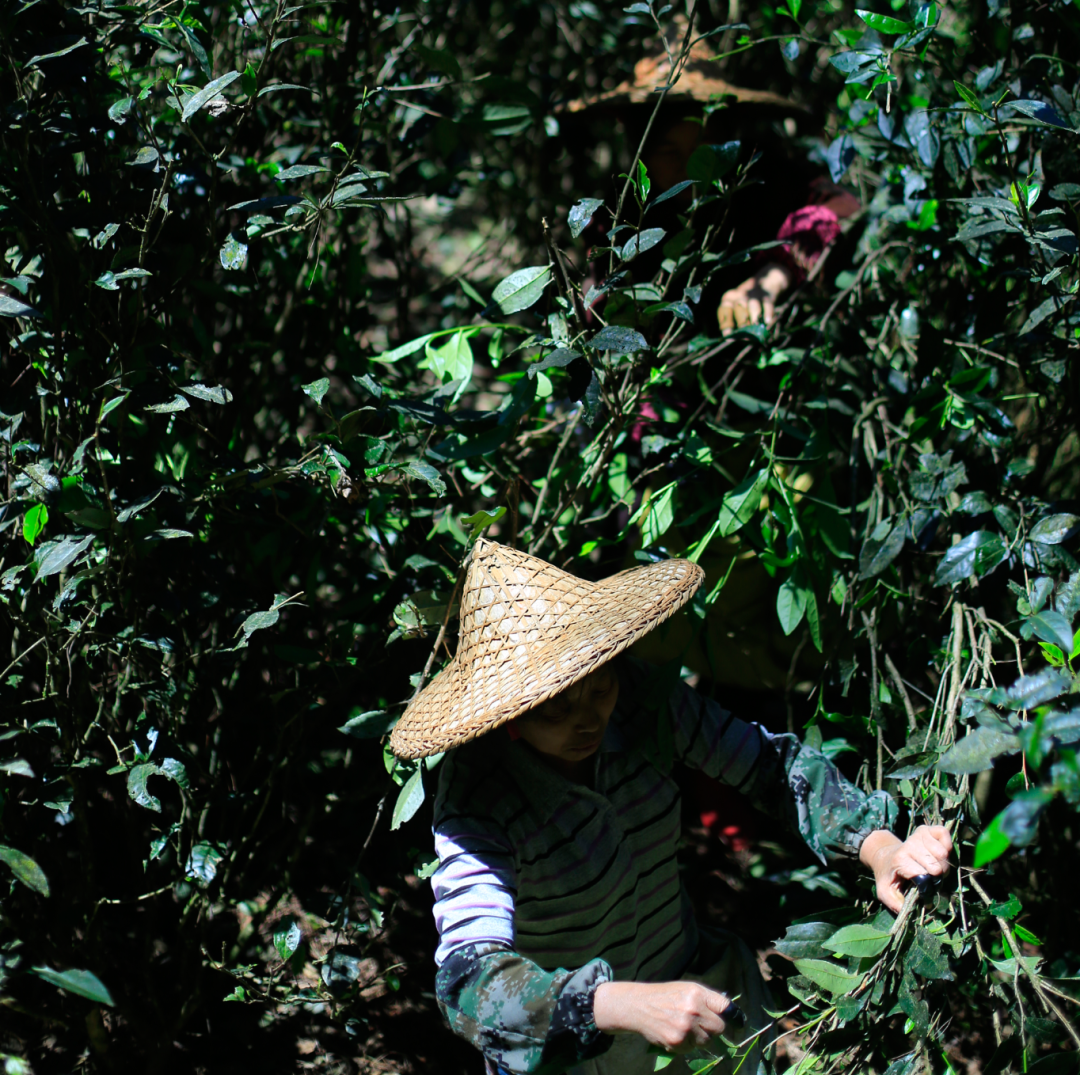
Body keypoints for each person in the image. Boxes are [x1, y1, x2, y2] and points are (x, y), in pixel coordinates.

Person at [389, 539, 953, 1075]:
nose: (587, 719)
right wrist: (619, 1005)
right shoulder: (479, 796)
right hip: (575, 1050)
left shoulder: (641, 704)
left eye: (596, 685)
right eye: (553, 710)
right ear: (508, 715)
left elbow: (768, 765)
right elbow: (469, 983)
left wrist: (878, 847)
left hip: (695, 1006)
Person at [558, 16, 861, 335]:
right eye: (669, 152)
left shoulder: (762, 182)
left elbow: (836, 207)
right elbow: (599, 311)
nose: (688, 168)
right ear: (642, 154)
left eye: (702, 148)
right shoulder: (621, 220)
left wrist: (774, 274)